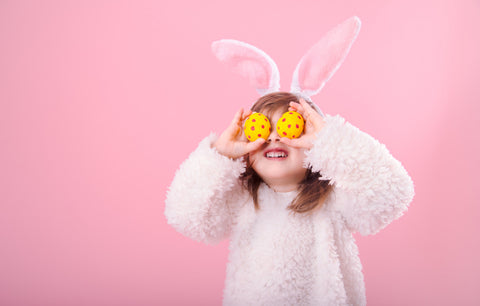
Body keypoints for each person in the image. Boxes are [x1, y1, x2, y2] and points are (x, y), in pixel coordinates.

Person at [164, 91, 415, 306]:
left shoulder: (336, 197)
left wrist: (331, 141)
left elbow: (392, 192)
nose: (273, 137)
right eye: (262, 129)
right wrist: (220, 155)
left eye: (289, 128)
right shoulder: (241, 198)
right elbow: (185, 215)